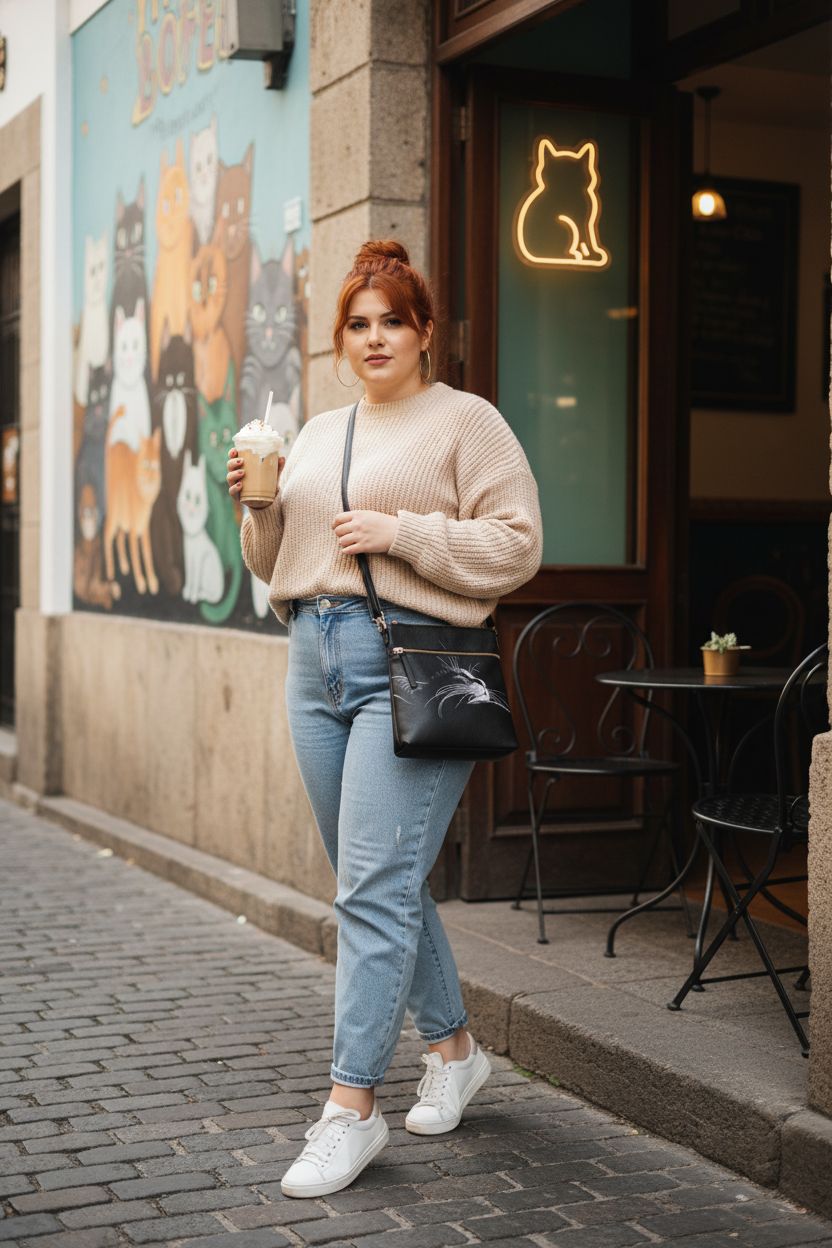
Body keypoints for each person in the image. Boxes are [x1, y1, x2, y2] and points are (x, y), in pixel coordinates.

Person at [228, 240, 542, 1198]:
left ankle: (350, 1108)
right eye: (359, 325)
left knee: (371, 887)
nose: (375, 338)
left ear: (424, 331)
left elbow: (517, 545)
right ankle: (455, 1050)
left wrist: (401, 533)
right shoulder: (318, 432)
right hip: (312, 659)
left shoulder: (467, 423)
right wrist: (259, 507)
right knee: (378, 881)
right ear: (343, 340)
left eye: (392, 322)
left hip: (411, 663)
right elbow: (273, 562)